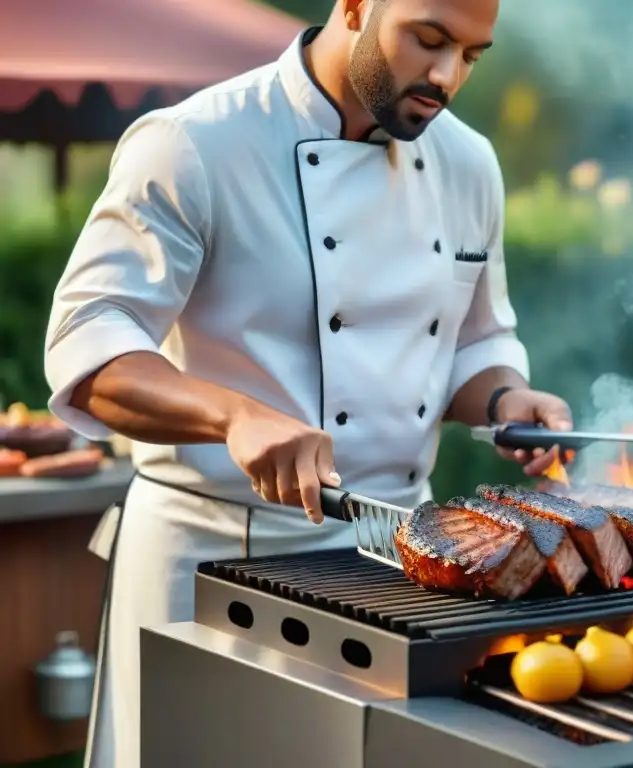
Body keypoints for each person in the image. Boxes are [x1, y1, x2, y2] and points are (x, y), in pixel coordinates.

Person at [43, 0, 572, 765]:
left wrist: (504, 399)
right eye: (428, 40)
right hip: (216, 563)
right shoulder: (195, 143)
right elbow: (88, 345)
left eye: (471, 55)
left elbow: (477, 340)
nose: (446, 76)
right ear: (354, 6)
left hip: (393, 558)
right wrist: (232, 416)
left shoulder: (468, 163)